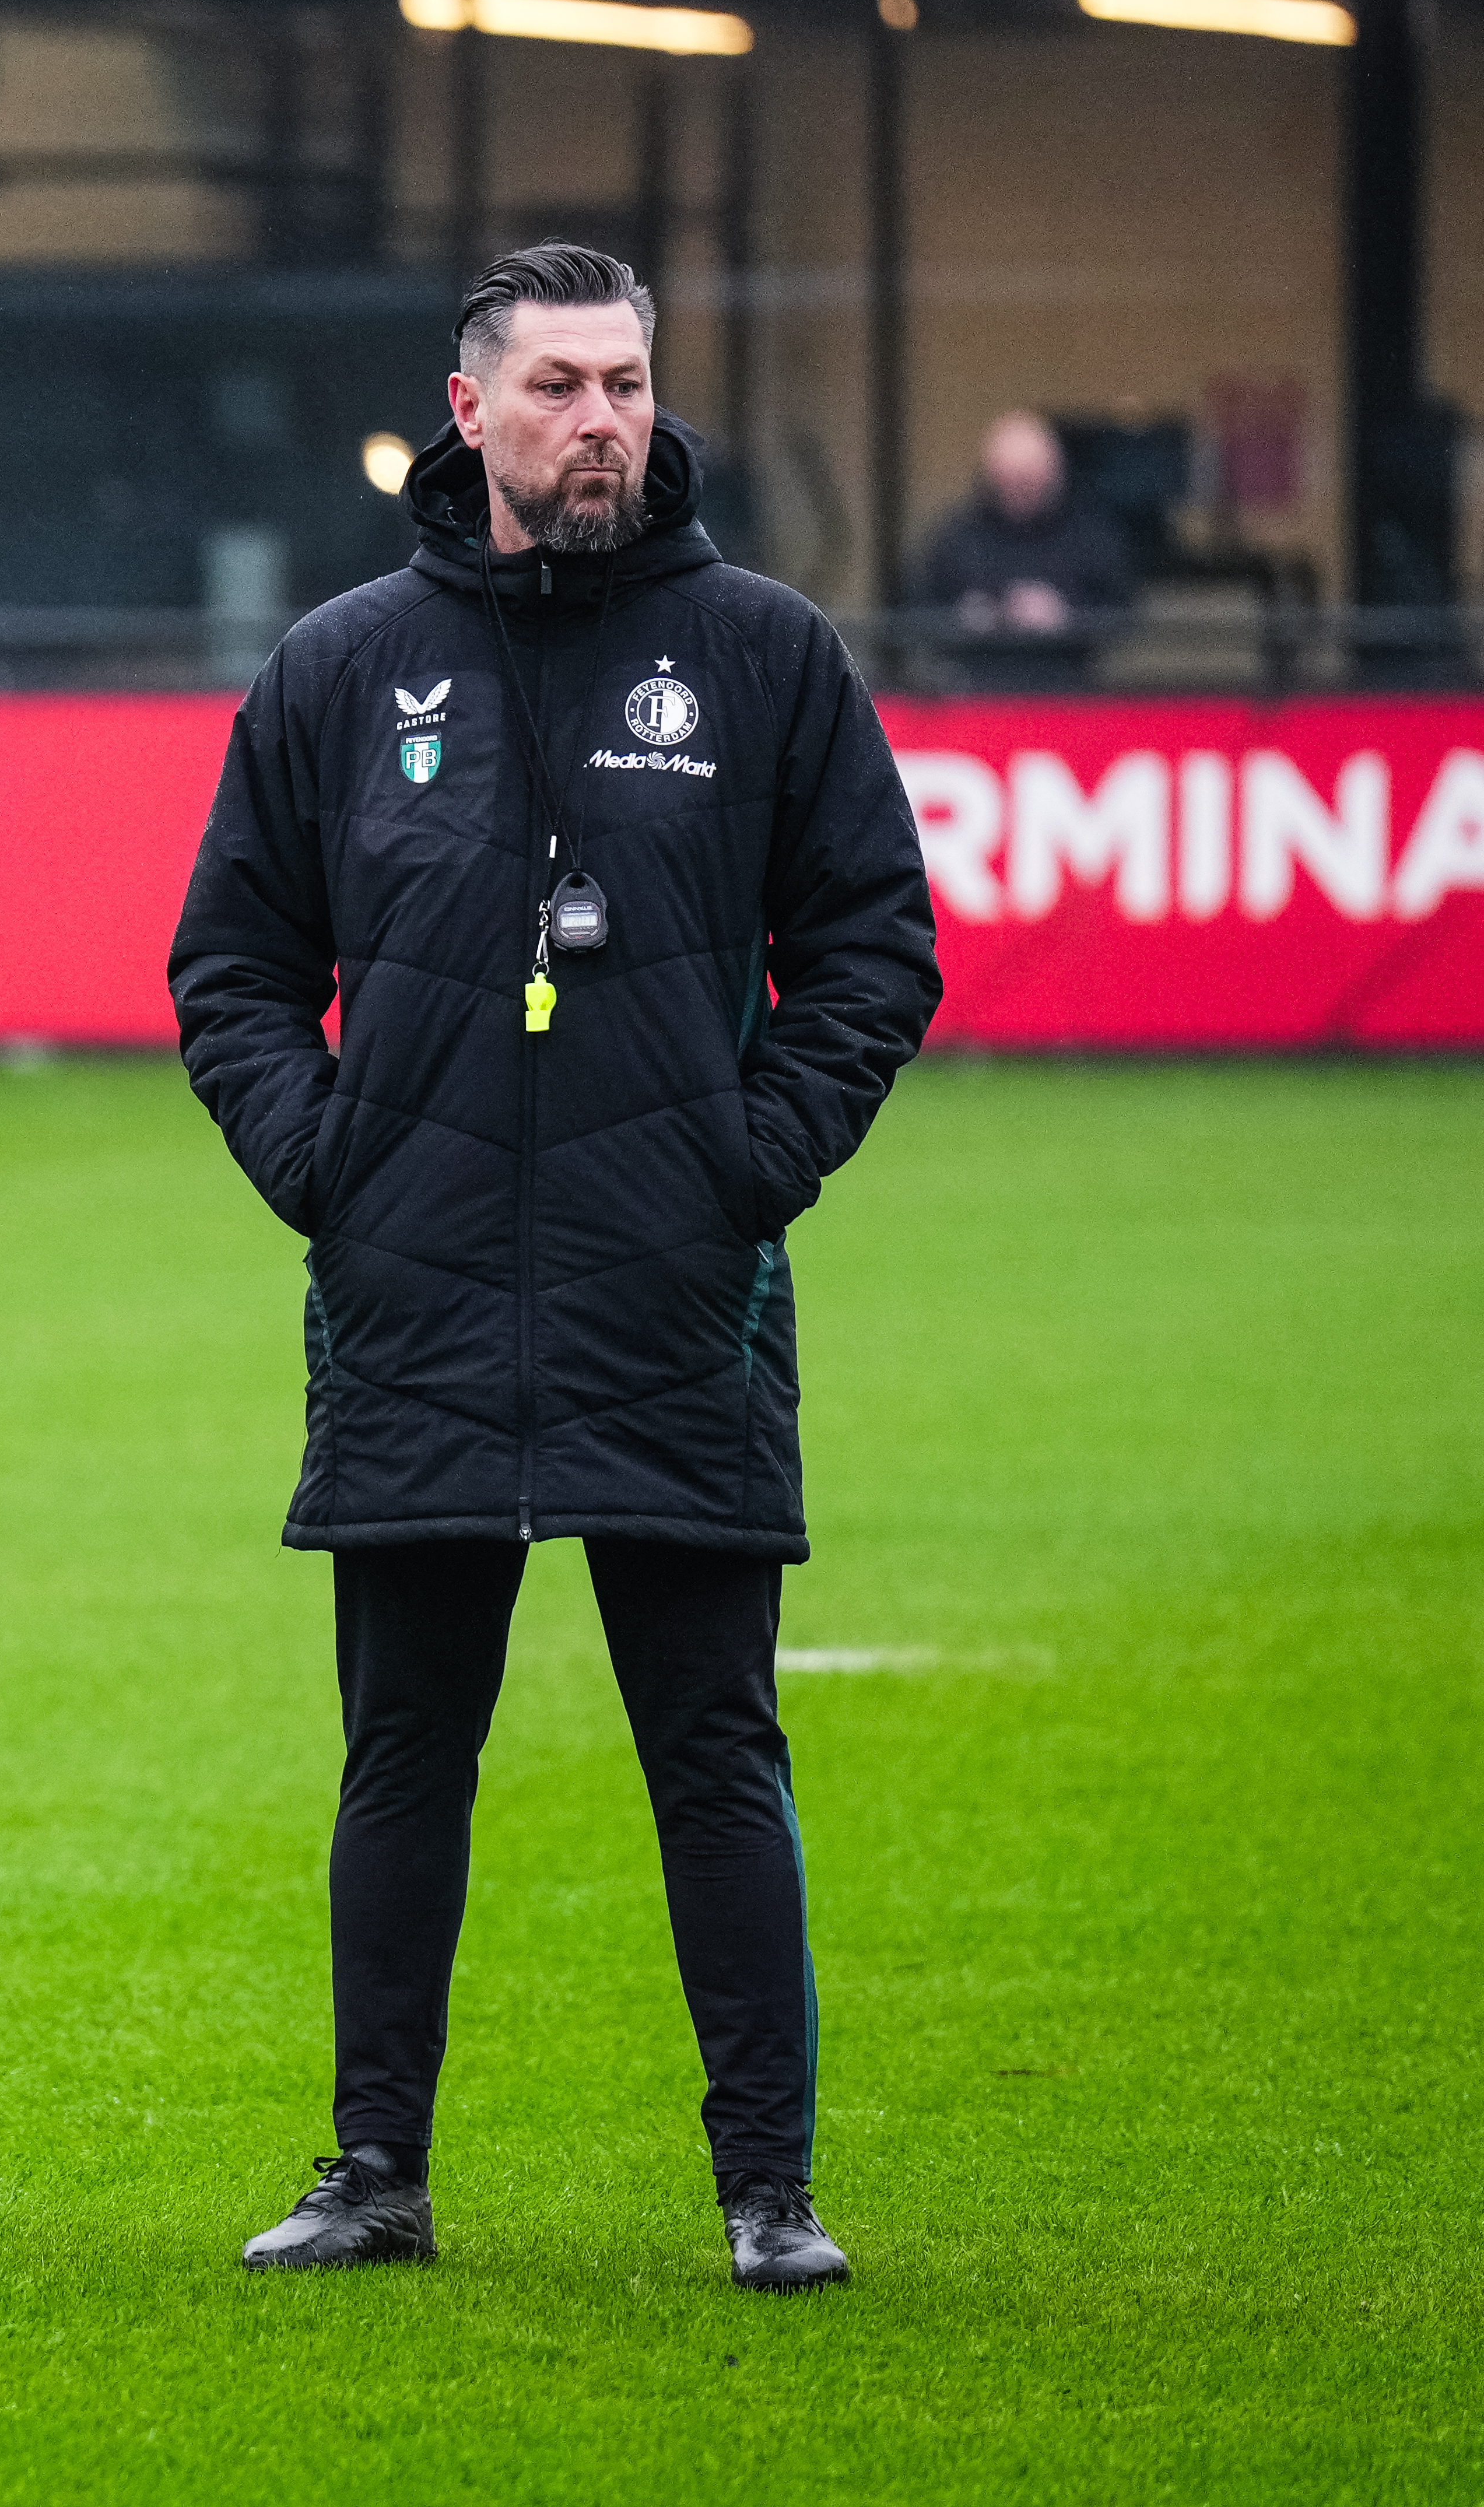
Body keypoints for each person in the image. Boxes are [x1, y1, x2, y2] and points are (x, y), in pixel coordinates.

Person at [168, 242, 940, 2294]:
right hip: (408, 1296)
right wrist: (328, 1168)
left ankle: (764, 2192)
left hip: (668, 1290)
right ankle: (369, 2177)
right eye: (559, 388)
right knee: (401, 1750)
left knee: (712, 1747)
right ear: (467, 410)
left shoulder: (763, 655)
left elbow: (872, 946)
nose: (601, 420)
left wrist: (744, 1164)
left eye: (623, 383)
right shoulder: (337, 669)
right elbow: (228, 966)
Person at [910, 409, 1134, 688]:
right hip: (976, 694)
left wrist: (1066, 617)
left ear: (1053, 475)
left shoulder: (1089, 533)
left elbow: (1122, 610)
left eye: (1029, 480)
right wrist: (965, 618)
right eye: (1009, 480)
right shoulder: (958, 535)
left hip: (1067, 694)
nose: (1019, 491)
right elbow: (914, 609)